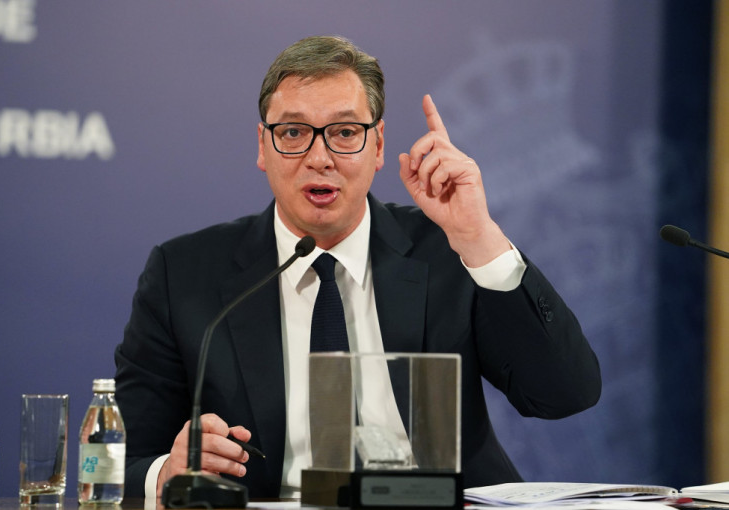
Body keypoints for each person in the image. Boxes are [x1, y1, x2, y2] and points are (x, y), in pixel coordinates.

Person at [114, 35, 601, 500]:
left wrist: (479, 238)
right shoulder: (183, 276)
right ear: (263, 146)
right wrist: (168, 471)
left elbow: (565, 394)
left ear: (379, 145)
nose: (319, 158)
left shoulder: (448, 250)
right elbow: (123, 464)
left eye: (345, 132)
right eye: (293, 133)